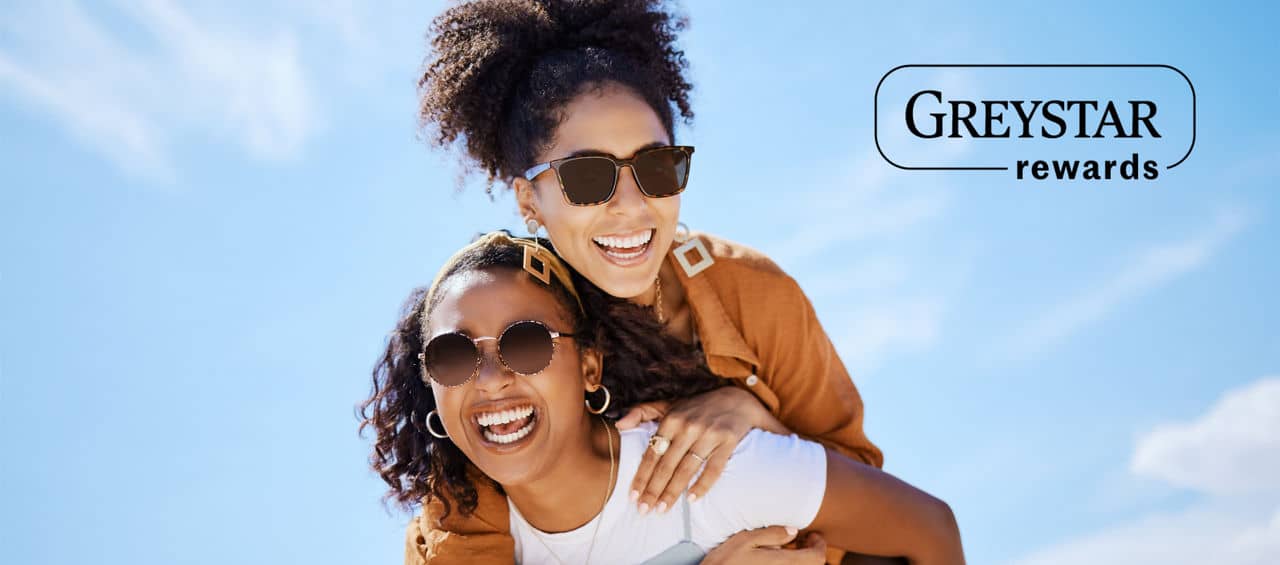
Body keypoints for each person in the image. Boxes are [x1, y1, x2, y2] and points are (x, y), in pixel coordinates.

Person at [361, 232, 963, 564]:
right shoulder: (456, 548)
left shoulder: (707, 468)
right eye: (453, 356)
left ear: (589, 366)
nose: (490, 378)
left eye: (525, 344)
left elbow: (929, 531)